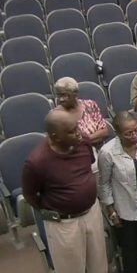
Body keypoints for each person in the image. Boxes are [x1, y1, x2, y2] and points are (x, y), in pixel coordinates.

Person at [22, 110, 108, 273]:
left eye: (77, 127)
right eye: (71, 131)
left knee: (99, 266)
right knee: (71, 269)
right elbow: (30, 195)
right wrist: (56, 208)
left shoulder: (83, 142)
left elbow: (88, 167)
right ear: (55, 136)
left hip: (92, 213)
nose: (78, 133)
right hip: (64, 224)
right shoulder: (36, 161)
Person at [98, 111, 137, 273]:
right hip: (124, 208)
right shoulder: (107, 152)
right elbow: (104, 184)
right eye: (128, 133)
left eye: (136, 130)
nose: (134, 135)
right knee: (130, 251)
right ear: (118, 134)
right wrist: (111, 210)